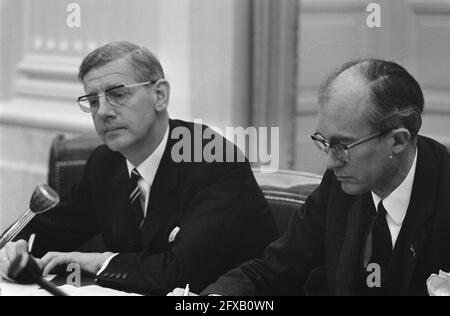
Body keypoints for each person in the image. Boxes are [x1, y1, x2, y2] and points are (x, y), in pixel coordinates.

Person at [0, 41, 279, 295]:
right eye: (93, 101)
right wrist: (16, 249)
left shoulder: (213, 158)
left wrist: (97, 261)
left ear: (159, 95)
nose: (103, 112)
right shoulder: (105, 162)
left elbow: (179, 274)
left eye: (117, 95)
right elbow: (51, 228)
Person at [170, 58, 450, 296]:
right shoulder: (339, 186)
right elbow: (269, 273)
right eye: (324, 142)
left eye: (343, 146)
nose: (330, 162)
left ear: (399, 141)